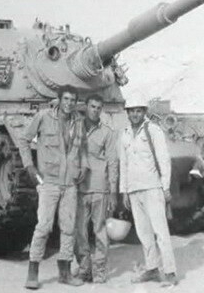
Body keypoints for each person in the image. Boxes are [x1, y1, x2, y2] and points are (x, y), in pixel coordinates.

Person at [20, 85, 88, 289]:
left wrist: (84, 164)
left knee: (68, 228)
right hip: (49, 182)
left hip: (70, 184)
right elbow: (23, 140)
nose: (69, 103)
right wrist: (29, 166)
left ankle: (65, 272)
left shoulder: (78, 120)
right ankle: (33, 272)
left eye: (72, 100)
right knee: (43, 227)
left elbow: (82, 146)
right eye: (65, 99)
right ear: (59, 100)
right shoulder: (43, 117)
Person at [118, 95, 177, 287]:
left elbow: (163, 159)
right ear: (127, 113)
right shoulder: (125, 133)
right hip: (134, 189)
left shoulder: (153, 130)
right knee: (143, 232)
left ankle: (169, 272)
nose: (135, 114)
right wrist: (124, 191)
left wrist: (165, 187)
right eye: (131, 111)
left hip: (152, 188)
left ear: (144, 112)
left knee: (160, 231)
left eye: (138, 111)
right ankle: (152, 268)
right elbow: (124, 164)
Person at [74, 94, 118, 283]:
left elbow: (112, 162)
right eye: (92, 106)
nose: (95, 110)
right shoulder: (75, 128)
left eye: (99, 107)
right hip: (78, 186)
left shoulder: (107, 132)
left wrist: (113, 190)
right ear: (86, 106)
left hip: (100, 187)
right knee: (79, 230)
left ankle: (99, 270)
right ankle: (85, 267)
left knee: (99, 230)